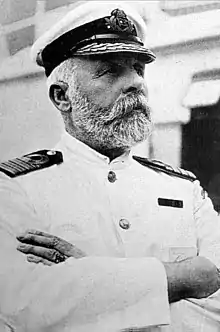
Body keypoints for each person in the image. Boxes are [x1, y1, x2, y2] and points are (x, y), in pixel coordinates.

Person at [0, 2, 220, 331]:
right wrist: (191, 278)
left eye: (137, 68)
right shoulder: (15, 188)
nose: (135, 83)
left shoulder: (183, 189)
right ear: (62, 96)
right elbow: (23, 304)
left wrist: (90, 281)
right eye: (110, 71)